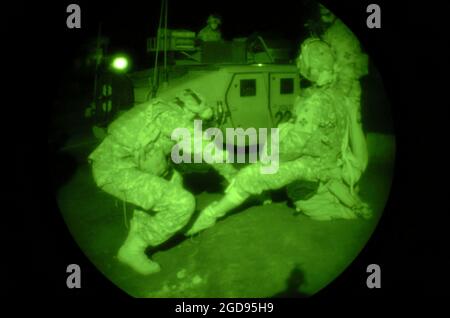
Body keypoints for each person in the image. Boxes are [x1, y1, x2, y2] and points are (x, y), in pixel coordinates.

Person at [186, 38, 370, 235]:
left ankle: (209, 216)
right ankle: (263, 192)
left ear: (310, 66)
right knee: (270, 150)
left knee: (248, 176)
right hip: (331, 163)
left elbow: (292, 149)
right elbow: (356, 147)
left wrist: (267, 161)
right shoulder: (340, 96)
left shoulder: (313, 102)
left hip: (311, 167)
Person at [89, 89, 236, 274]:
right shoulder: (170, 116)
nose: (196, 123)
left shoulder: (162, 109)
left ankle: (145, 230)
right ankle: (133, 250)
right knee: (182, 203)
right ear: (189, 111)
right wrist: (230, 173)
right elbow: (199, 144)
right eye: (196, 118)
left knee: (173, 178)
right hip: (115, 171)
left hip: (127, 164)